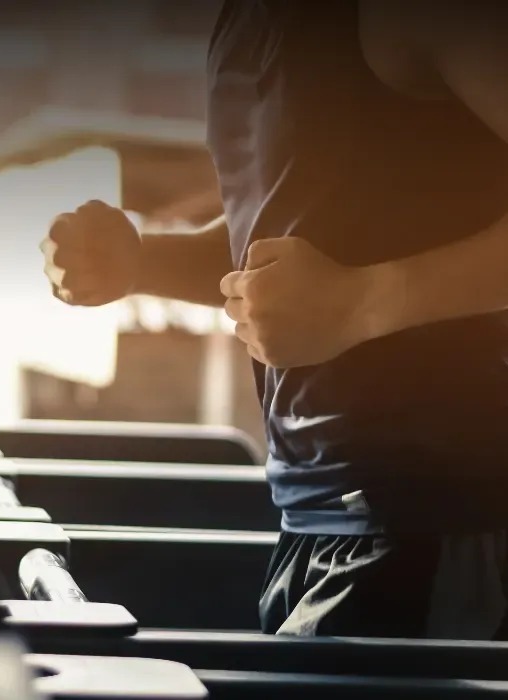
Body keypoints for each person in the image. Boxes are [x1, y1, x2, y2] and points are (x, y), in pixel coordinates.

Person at [41, 1, 508, 640]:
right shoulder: (246, 23)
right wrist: (139, 262)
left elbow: (340, 288)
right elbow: (288, 244)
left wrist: (362, 301)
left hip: (443, 521)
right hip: (311, 523)